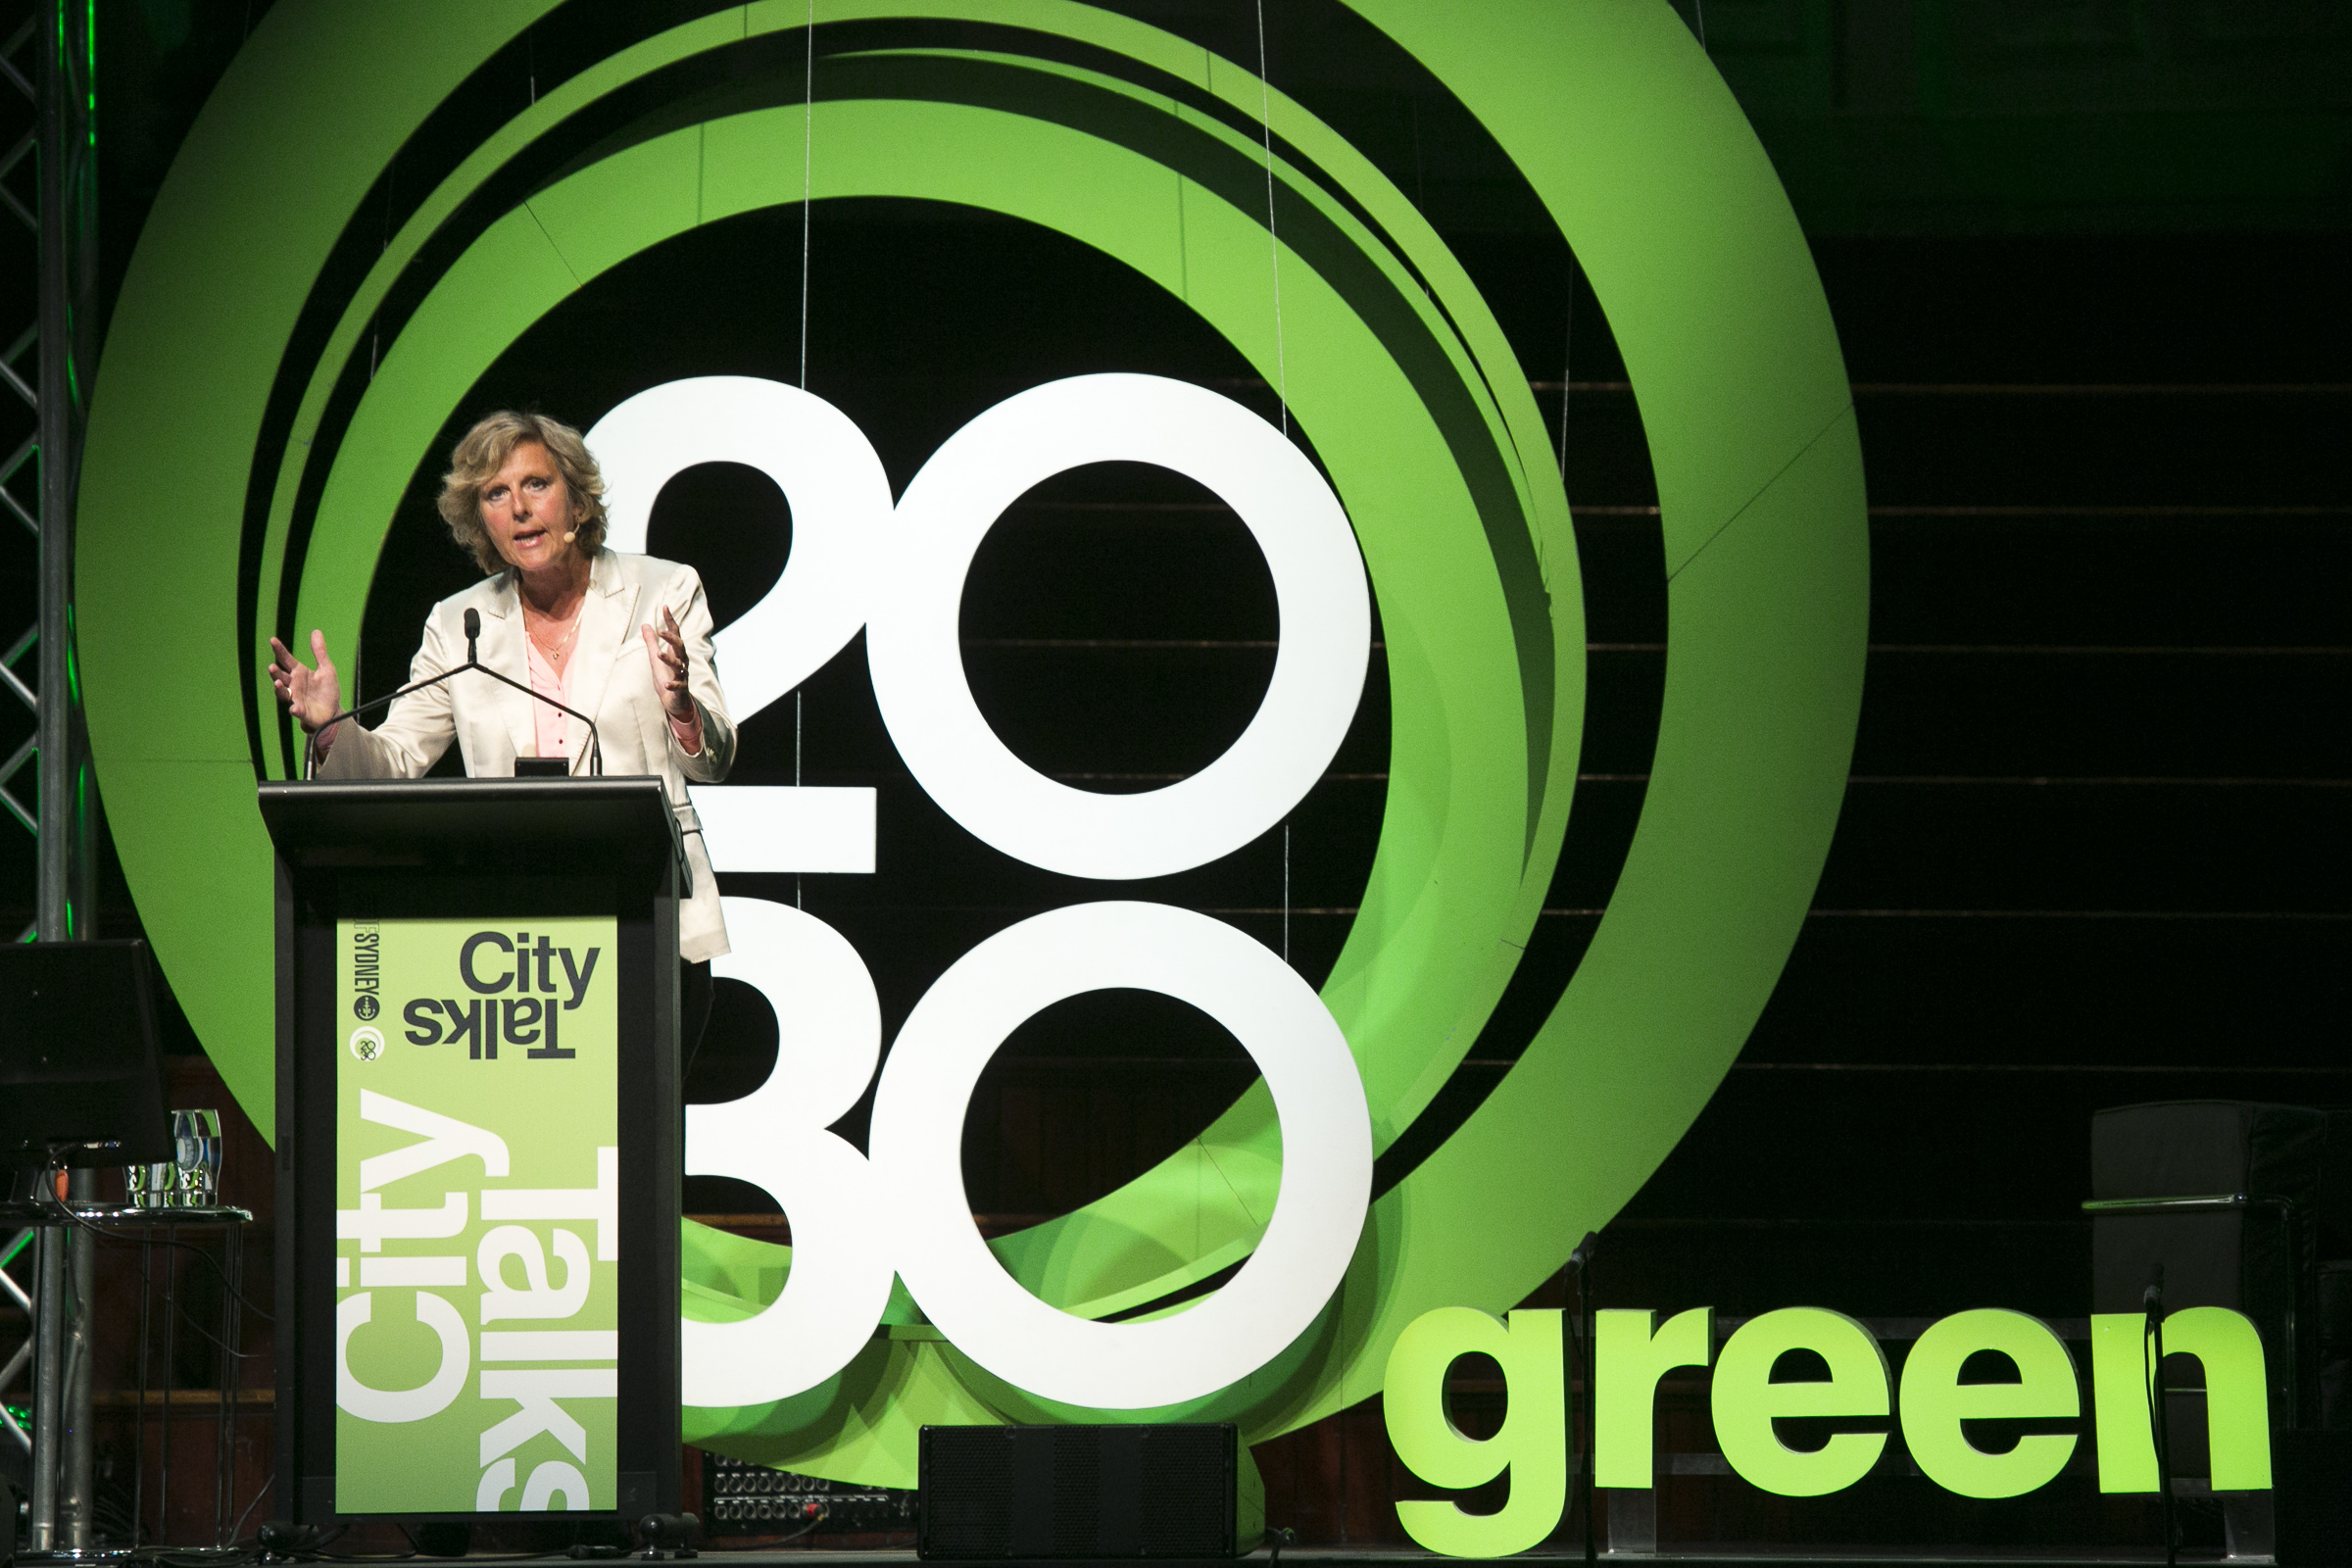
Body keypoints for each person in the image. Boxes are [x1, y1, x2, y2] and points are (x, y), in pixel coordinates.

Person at [268, 411, 735, 1000]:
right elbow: (395, 761)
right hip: (517, 945)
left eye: (536, 484)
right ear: (480, 520)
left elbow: (712, 762)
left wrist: (683, 710)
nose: (519, 508)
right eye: (496, 493)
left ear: (578, 500)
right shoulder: (457, 622)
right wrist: (333, 729)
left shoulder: (662, 591)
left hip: (653, 917)